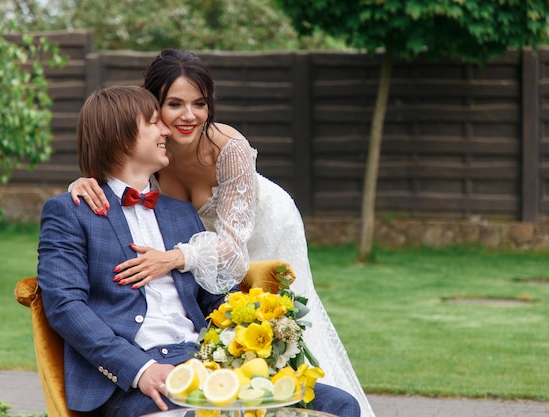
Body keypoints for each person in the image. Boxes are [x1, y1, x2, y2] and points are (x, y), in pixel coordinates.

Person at [69, 50, 374, 417]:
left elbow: (231, 254)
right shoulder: (150, 156)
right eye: (174, 104)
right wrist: (82, 181)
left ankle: (285, 375)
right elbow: (116, 166)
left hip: (255, 229)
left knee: (292, 330)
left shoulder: (228, 149)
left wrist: (177, 258)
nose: (189, 115)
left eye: (200, 104)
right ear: (153, 109)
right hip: (195, 256)